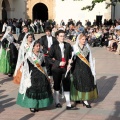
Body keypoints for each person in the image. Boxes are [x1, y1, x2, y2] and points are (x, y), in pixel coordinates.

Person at [16, 40, 53, 112]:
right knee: (32, 89)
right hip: (32, 74)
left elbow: (44, 66)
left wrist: (47, 75)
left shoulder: (41, 55)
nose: (38, 47)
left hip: (41, 74)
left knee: (41, 89)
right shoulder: (29, 55)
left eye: (39, 46)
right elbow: (26, 66)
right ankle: (32, 105)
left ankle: (38, 104)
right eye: (37, 46)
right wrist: (26, 77)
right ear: (33, 47)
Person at [48, 30, 77, 110]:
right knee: (57, 85)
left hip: (65, 69)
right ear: (57, 36)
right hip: (56, 69)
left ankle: (68, 104)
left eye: (64, 36)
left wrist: (70, 62)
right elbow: (49, 58)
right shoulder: (53, 46)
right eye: (61, 36)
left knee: (67, 85)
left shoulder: (68, 45)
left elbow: (72, 56)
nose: (62, 37)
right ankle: (57, 102)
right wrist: (58, 63)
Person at [70, 33, 98, 108]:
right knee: (77, 82)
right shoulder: (74, 48)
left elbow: (90, 59)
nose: (84, 41)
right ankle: (76, 99)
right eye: (82, 39)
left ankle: (85, 100)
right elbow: (71, 58)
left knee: (85, 83)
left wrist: (93, 70)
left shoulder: (87, 48)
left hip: (86, 68)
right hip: (77, 68)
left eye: (85, 39)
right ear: (79, 39)